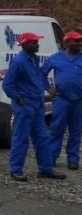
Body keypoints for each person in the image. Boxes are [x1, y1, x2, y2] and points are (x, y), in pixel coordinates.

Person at [2, 32, 66, 181]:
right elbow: (7, 84)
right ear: (24, 44)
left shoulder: (34, 59)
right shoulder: (18, 61)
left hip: (37, 105)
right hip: (24, 106)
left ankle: (46, 169)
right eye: (33, 42)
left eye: (37, 42)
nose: (37, 45)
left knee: (42, 137)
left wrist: (47, 90)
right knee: (21, 138)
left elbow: (37, 79)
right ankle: (16, 170)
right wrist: (18, 99)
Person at [42, 31, 82, 170]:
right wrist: (48, 89)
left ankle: (73, 159)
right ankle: (51, 157)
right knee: (56, 129)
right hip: (61, 100)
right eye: (75, 41)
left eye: (79, 41)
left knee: (76, 131)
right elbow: (42, 74)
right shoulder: (56, 58)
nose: (78, 44)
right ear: (66, 43)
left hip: (79, 101)